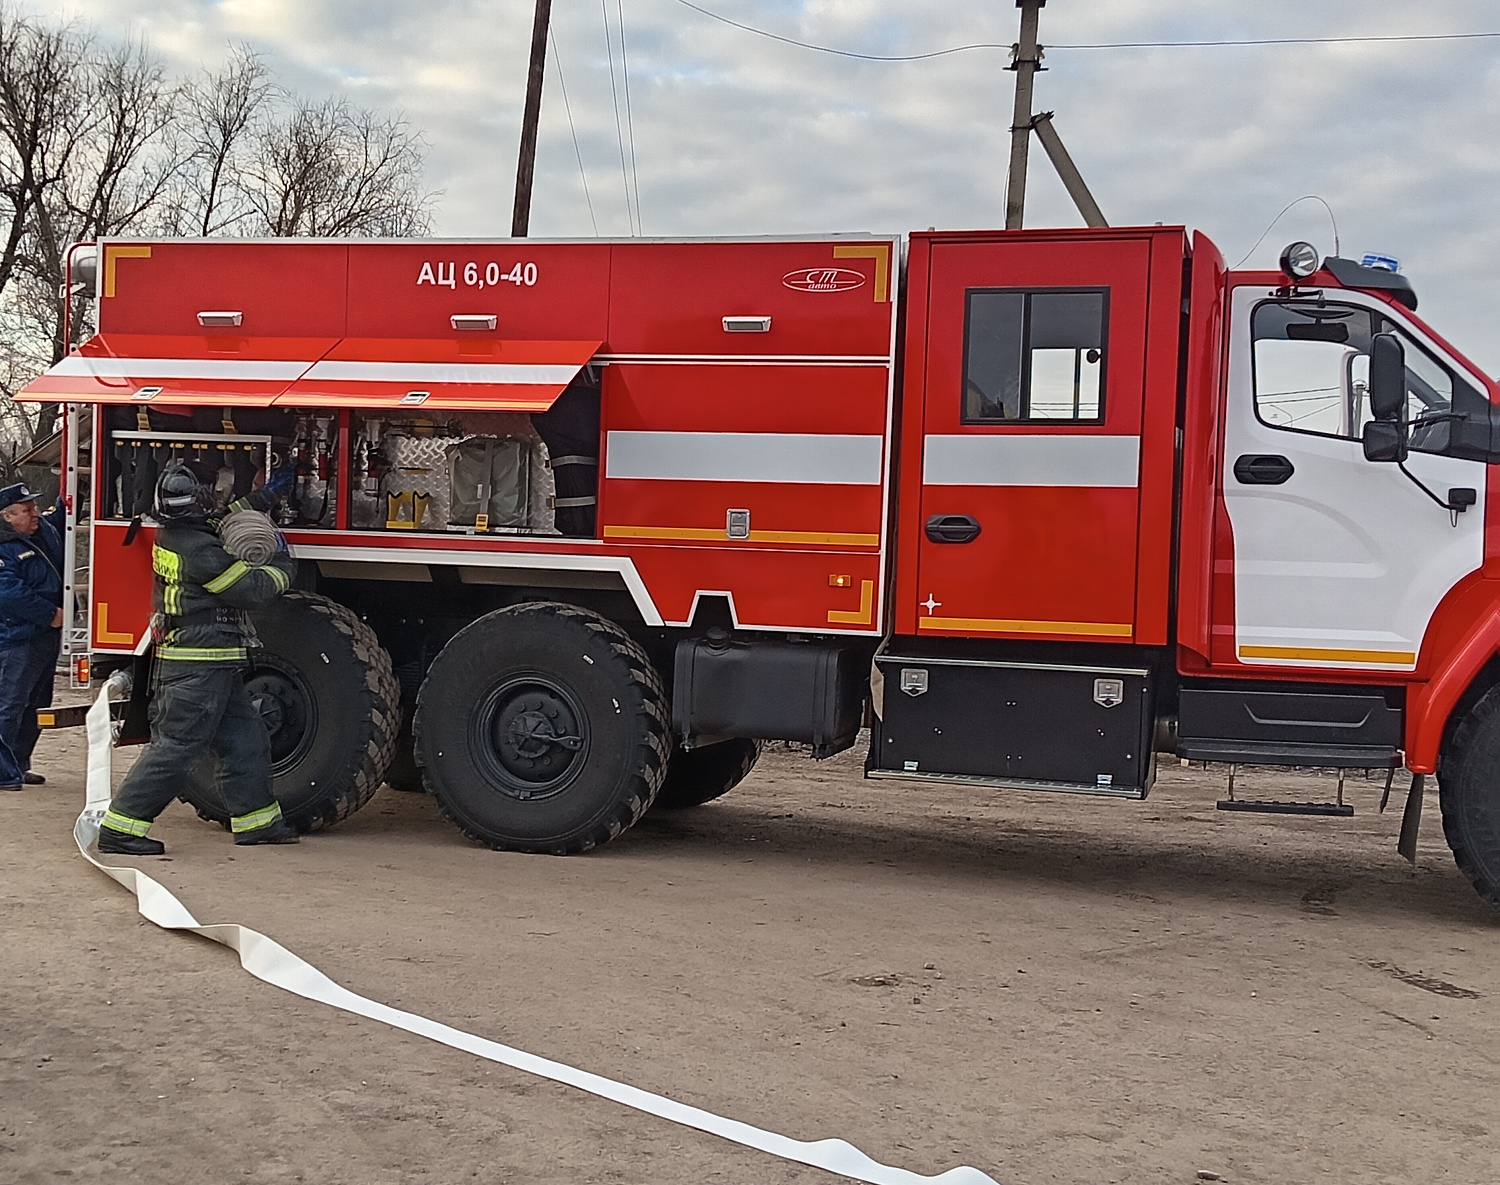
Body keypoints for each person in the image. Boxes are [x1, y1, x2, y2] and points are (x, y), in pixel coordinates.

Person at [98, 462, 300, 855]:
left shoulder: (179, 533)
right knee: (176, 748)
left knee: (246, 740)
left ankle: (257, 823)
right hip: (196, 667)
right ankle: (119, 828)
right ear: (199, 503)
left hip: (212, 664)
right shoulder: (198, 549)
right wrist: (282, 560)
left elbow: (227, 515)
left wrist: (265, 497)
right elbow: (253, 590)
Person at [0, 482, 65, 792]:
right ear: (7, 517)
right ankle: (2, 770)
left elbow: (61, 517)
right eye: (27, 510)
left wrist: (72, 488)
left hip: (43, 637)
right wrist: (50, 614)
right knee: (10, 704)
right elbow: (9, 593)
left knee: (37, 703)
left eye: (34, 507)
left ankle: (18, 764)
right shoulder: (4, 548)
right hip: (18, 637)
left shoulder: (40, 534)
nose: (35, 513)